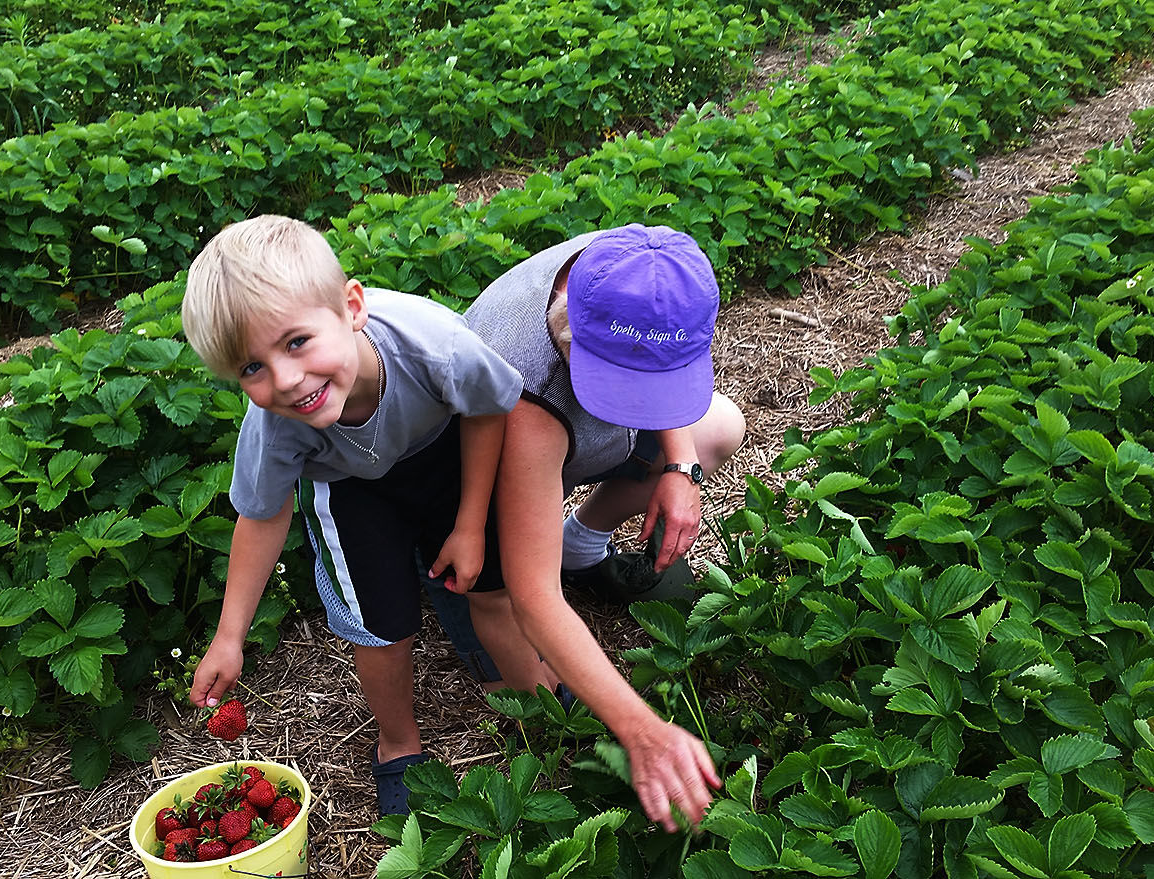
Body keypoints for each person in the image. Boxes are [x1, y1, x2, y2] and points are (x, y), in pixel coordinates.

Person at [179, 215, 556, 815]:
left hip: (445, 457)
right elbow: (263, 514)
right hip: (349, 491)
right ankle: (398, 744)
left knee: (492, 589)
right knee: (380, 627)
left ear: (351, 306)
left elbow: (488, 411)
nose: (286, 380)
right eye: (251, 368)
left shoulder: (433, 343)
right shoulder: (276, 425)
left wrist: (467, 522)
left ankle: (540, 706)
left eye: (296, 342)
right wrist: (230, 638)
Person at [449, 223, 747, 831]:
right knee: (511, 622)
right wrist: (641, 729)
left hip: (570, 442)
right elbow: (536, 602)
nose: (646, 398)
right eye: (626, 382)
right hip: (487, 467)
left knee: (719, 429)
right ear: (576, 332)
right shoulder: (523, 387)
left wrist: (682, 468)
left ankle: (578, 543)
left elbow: (662, 372)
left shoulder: (647, 268)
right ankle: (478, 610)